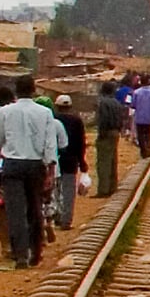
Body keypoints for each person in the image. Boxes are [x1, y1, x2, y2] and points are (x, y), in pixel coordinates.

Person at [0, 75, 64, 267]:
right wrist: (50, 170)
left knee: (15, 211)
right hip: (35, 165)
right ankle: (36, 252)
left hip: (12, 164)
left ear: (16, 90)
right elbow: (50, 143)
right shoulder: (45, 113)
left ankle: (20, 254)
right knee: (35, 208)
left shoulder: (5, 112)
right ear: (33, 90)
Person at [49, 92, 87, 232]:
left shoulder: (52, 119)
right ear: (70, 107)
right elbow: (81, 143)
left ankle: (57, 216)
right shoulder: (77, 121)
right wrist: (82, 161)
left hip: (55, 159)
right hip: (71, 160)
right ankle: (66, 220)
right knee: (69, 191)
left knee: (55, 190)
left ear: (57, 107)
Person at [87, 81, 126, 198]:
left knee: (103, 162)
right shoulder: (117, 103)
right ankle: (112, 187)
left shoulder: (103, 103)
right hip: (115, 132)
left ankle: (103, 190)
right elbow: (121, 118)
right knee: (113, 160)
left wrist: (101, 134)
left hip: (106, 133)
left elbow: (102, 120)